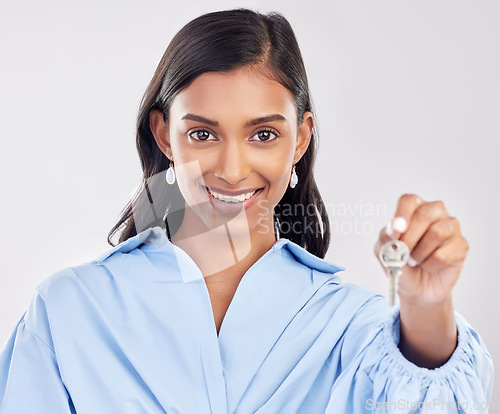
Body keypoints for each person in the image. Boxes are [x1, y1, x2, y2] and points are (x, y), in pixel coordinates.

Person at [0, 8, 493, 414]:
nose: (233, 170)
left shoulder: (354, 327)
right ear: (162, 134)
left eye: (263, 135)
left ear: (300, 138)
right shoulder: (70, 311)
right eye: (202, 134)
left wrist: (427, 307)